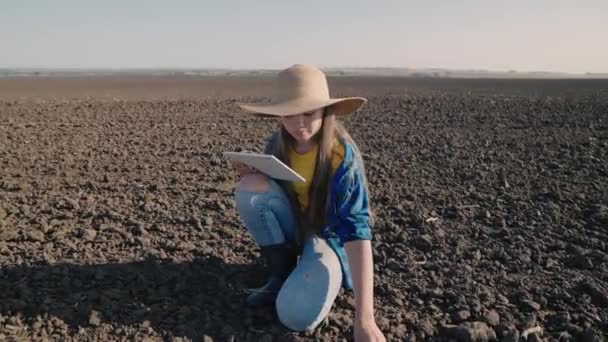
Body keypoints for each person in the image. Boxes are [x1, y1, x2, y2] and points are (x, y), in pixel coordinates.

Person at [231, 64, 385, 341]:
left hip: (328, 238)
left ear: (326, 112)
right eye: (289, 114)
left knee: (295, 316)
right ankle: (282, 273)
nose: (299, 123)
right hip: (297, 226)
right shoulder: (277, 145)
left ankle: (320, 270)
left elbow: (356, 230)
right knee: (250, 188)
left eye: (309, 113)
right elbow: (273, 197)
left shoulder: (341, 158)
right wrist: (258, 174)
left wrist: (365, 319)